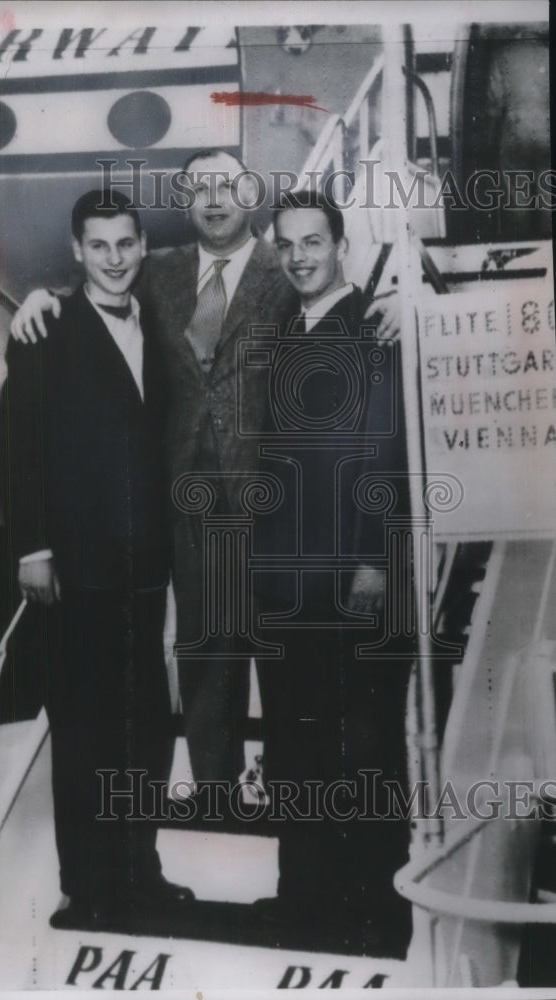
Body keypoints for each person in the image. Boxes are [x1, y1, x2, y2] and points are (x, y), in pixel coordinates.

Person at [10, 149, 400, 790]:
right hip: (185, 501)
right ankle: (216, 789)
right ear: (184, 199)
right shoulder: (155, 270)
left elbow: (345, 304)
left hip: (279, 509)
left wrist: (405, 308)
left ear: (251, 193)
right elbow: (96, 285)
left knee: (289, 662)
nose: (214, 198)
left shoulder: (290, 266)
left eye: (229, 185)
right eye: (199, 188)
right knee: (205, 647)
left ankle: (288, 790)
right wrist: (39, 296)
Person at [2, 189, 193, 929]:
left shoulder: (157, 319)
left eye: (126, 243)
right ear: (77, 253)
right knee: (84, 732)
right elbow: (18, 446)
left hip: (146, 572)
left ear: (143, 246)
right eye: (99, 246)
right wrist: (33, 548)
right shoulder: (44, 328)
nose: (114, 259)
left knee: (144, 730)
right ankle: (89, 889)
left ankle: (138, 873)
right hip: (73, 570)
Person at [252, 190, 412, 958]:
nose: (300, 256)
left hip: (353, 578)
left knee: (363, 741)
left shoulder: (373, 331)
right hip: (288, 585)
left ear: (340, 245)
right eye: (288, 244)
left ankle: (372, 898)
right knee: (294, 740)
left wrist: (376, 560)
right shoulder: (286, 329)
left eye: (313, 242)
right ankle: (304, 894)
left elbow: (386, 452)